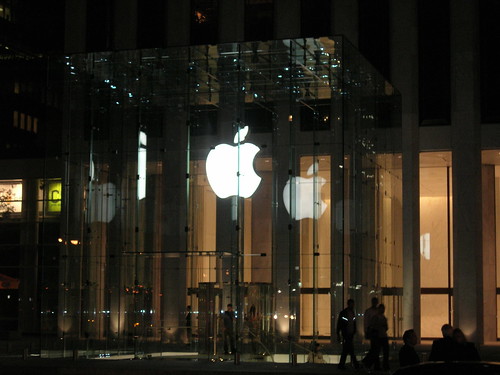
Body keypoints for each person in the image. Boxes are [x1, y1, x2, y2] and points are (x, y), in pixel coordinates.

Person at [336, 299, 360, 370]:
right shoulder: (345, 313)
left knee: (346, 350)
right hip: (346, 334)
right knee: (350, 350)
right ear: (348, 304)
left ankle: (342, 365)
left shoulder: (351, 313)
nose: (352, 306)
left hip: (350, 334)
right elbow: (340, 324)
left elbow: (352, 323)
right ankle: (355, 364)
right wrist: (338, 333)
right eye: (351, 304)